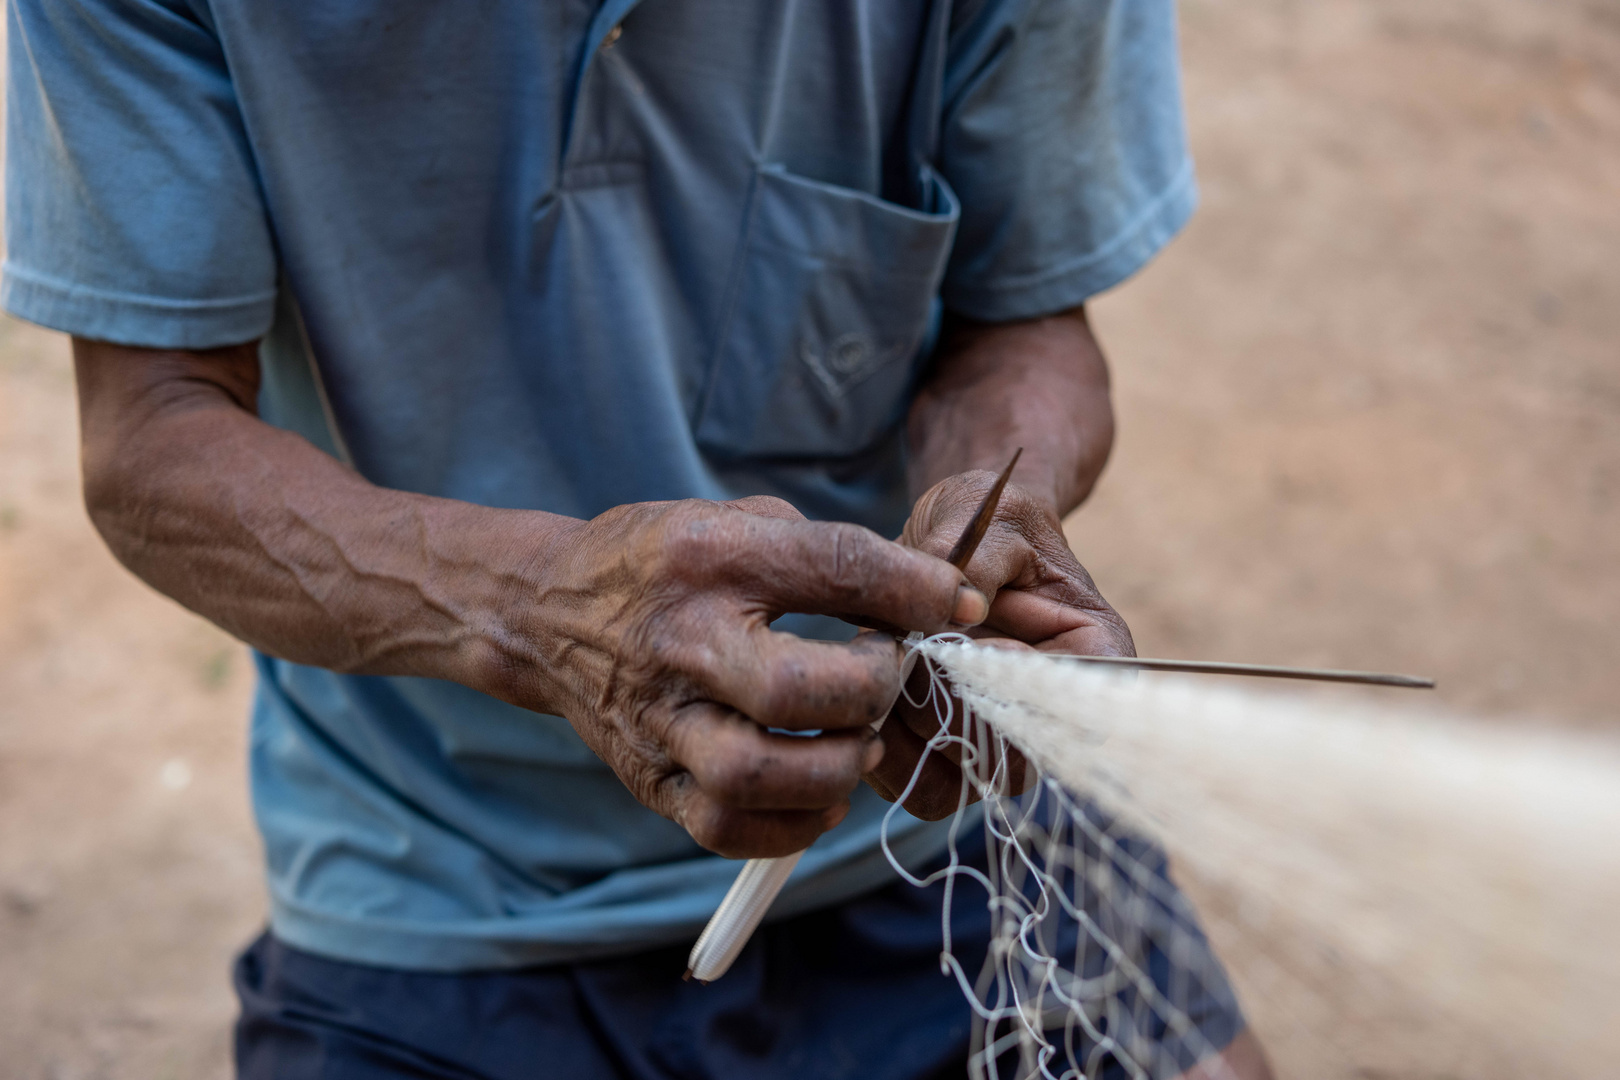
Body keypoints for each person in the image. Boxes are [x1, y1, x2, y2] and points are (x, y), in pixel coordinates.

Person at [5, 0, 1271, 1076]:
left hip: (946, 833)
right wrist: (543, 613)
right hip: (441, 875)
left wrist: (1000, 516)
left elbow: (1029, 328)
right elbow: (152, 441)